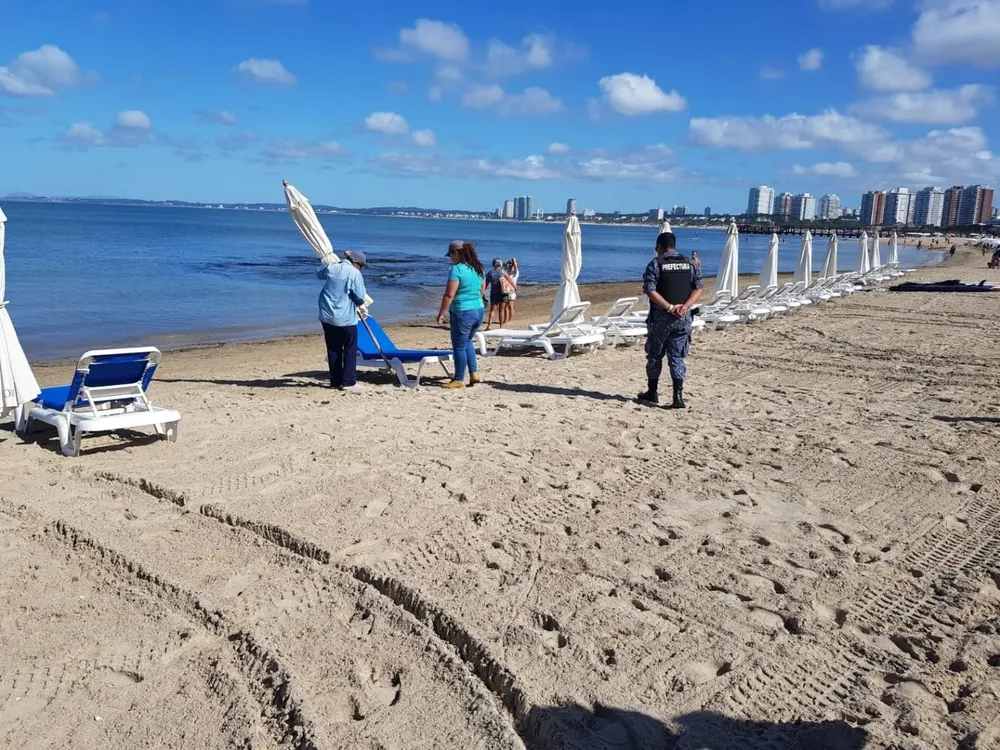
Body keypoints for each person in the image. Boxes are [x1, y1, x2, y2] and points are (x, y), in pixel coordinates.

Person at [638, 232, 703, 409]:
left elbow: (650, 290)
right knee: (677, 356)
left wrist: (669, 307)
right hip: (683, 318)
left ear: (659, 247)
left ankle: (652, 392)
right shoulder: (690, 263)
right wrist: (685, 306)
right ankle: (678, 396)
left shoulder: (656, 264)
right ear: (674, 245)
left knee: (654, 355)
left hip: (661, 319)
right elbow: (698, 288)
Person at [437, 241, 486, 389]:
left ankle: (458, 379)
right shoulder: (478, 269)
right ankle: (474, 373)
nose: (450, 258)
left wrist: (441, 313)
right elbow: (482, 292)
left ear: (457, 253)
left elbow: (449, 294)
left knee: (458, 346)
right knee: (468, 342)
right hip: (479, 310)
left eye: (451, 255)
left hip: (462, 311)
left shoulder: (456, 270)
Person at [317, 250, 368, 391]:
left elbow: (319, 274)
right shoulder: (354, 273)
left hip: (327, 315)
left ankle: (335, 381)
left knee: (333, 349)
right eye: (361, 266)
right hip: (345, 318)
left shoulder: (332, 267)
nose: (361, 268)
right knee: (349, 349)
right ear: (356, 263)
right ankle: (349, 381)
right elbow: (360, 297)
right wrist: (354, 298)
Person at [484, 258, 517, 330]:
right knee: (501, 310)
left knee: (492, 310)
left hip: (494, 293)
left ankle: (489, 326)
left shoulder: (490, 273)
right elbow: (510, 280)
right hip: (503, 292)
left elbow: (486, 284)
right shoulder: (503, 272)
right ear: (501, 264)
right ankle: (501, 326)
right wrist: (514, 288)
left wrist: (483, 293)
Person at [504, 258, 520, 322]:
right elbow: (503, 267)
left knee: (510, 306)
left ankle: (510, 320)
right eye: (510, 264)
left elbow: (515, 266)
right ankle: (505, 319)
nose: (511, 264)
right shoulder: (507, 271)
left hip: (512, 291)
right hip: (505, 290)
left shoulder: (515, 272)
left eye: (512, 264)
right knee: (505, 306)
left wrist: (514, 261)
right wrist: (507, 263)